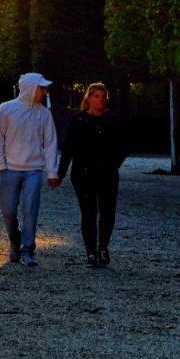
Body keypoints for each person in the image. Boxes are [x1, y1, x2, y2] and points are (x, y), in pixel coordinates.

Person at [0, 73, 59, 267]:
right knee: (8, 211)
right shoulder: (6, 109)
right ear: (30, 88)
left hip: (33, 170)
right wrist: (1, 165)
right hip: (9, 169)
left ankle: (28, 249)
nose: (45, 92)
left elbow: (51, 143)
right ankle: (15, 239)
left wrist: (51, 172)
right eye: (41, 88)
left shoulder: (44, 114)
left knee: (31, 210)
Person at [57, 81, 126, 266]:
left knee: (108, 213)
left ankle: (103, 246)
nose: (100, 100)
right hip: (83, 173)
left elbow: (124, 145)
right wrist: (60, 173)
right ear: (88, 98)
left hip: (107, 173)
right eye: (96, 96)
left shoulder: (113, 120)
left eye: (103, 97)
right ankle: (91, 252)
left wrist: (114, 163)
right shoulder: (78, 121)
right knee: (88, 213)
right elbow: (68, 148)